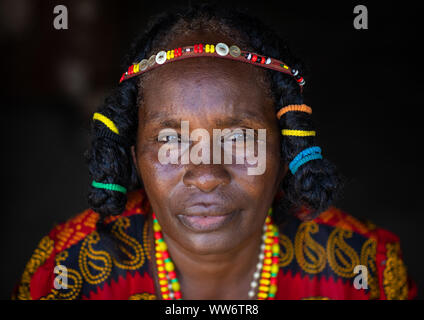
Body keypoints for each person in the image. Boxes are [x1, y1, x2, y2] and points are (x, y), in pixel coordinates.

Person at [12, 4, 417, 300]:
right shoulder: (68, 273)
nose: (205, 174)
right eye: (171, 140)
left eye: (239, 137)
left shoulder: (367, 270)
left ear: (286, 151)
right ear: (134, 156)